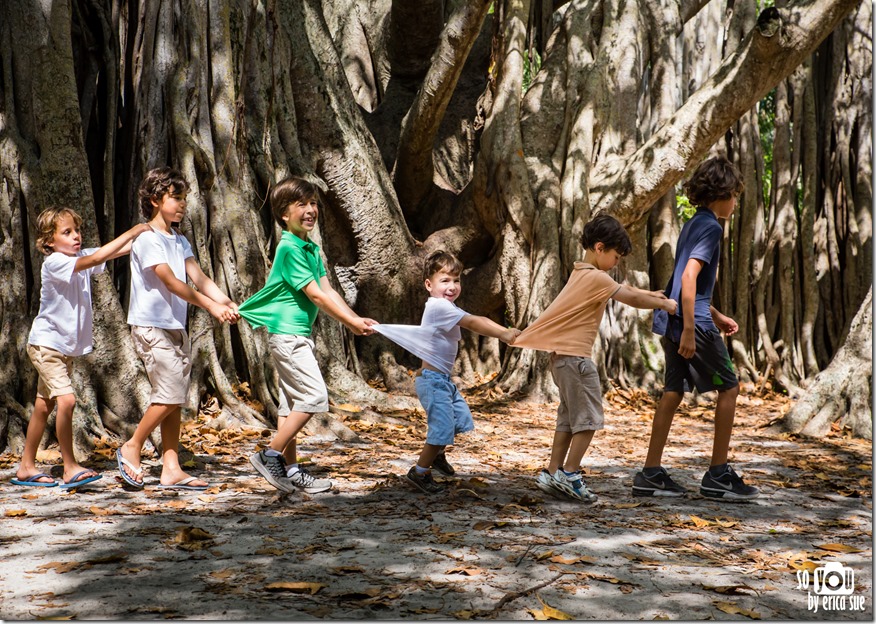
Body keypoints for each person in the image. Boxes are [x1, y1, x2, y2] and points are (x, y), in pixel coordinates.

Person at [512, 214, 677, 502]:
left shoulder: (581, 272)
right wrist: (667, 306)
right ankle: (571, 474)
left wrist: (652, 293)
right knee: (588, 420)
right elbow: (630, 298)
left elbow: (629, 291)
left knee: (568, 420)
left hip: (562, 361)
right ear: (600, 248)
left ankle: (553, 472)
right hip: (577, 362)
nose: (616, 263)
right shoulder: (597, 278)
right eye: (615, 256)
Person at [633, 155, 759, 501]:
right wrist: (693, 329)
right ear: (722, 193)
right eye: (734, 194)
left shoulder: (693, 223)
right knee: (730, 388)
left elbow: (685, 281)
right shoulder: (712, 227)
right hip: (692, 325)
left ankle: (650, 473)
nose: (735, 202)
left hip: (676, 319)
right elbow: (688, 277)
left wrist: (715, 313)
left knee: (673, 392)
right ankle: (718, 474)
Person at [239, 177, 376, 495]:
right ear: (284, 214)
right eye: (301, 204)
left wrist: (354, 319)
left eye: (313, 203)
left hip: (298, 336)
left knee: (290, 406)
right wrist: (351, 323)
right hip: (287, 336)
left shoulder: (310, 248)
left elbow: (329, 290)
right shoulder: (289, 248)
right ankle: (269, 454)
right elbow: (315, 295)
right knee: (314, 398)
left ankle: (291, 469)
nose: (310, 209)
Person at [116, 167, 240, 491]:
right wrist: (210, 307)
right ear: (156, 199)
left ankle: (170, 468)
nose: (183, 204)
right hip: (150, 327)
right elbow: (170, 282)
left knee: (173, 397)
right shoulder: (146, 239)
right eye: (176, 197)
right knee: (171, 393)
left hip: (175, 328)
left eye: (185, 198)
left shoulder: (179, 240)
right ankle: (133, 446)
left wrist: (226, 302)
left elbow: (197, 277)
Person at [13, 207, 149, 489]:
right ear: (49, 241)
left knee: (43, 405)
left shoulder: (78, 256)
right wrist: (135, 229)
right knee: (67, 401)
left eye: (77, 230)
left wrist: (152, 236)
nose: (76, 236)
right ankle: (69, 466)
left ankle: (26, 466)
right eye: (67, 232)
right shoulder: (55, 263)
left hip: (63, 349)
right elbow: (100, 255)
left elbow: (112, 253)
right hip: (46, 345)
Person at [374, 251, 521, 494]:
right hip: (432, 382)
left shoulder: (446, 306)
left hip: (441, 380)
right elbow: (475, 321)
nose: (452, 286)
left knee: (459, 420)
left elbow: (477, 318)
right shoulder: (439, 307)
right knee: (441, 427)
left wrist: (506, 331)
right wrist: (504, 333)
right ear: (429, 284)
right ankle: (419, 472)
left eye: (456, 280)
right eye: (445, 281)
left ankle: (437, 454)